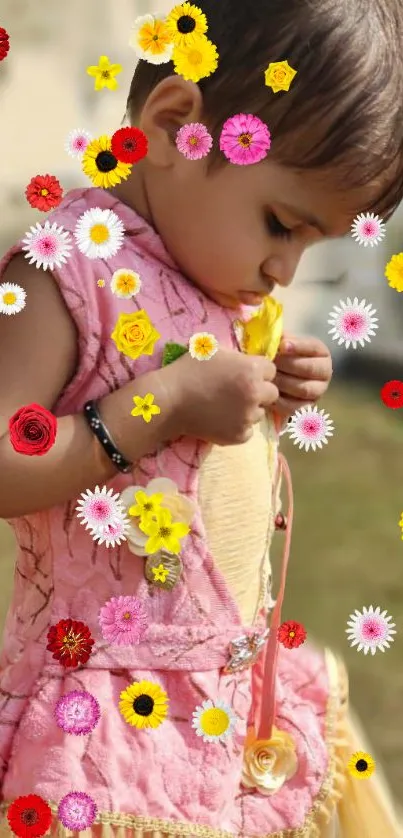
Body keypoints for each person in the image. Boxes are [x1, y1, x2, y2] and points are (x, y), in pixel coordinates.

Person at [0, 0, 402, 835]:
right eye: (279, 225)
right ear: (177, 122)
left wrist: (274, 384)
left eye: (309, 246)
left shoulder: (209, 276)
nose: (283, 268)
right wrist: (164, 406)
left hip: (221, 695)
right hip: (109, 716)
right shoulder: (67, 271)